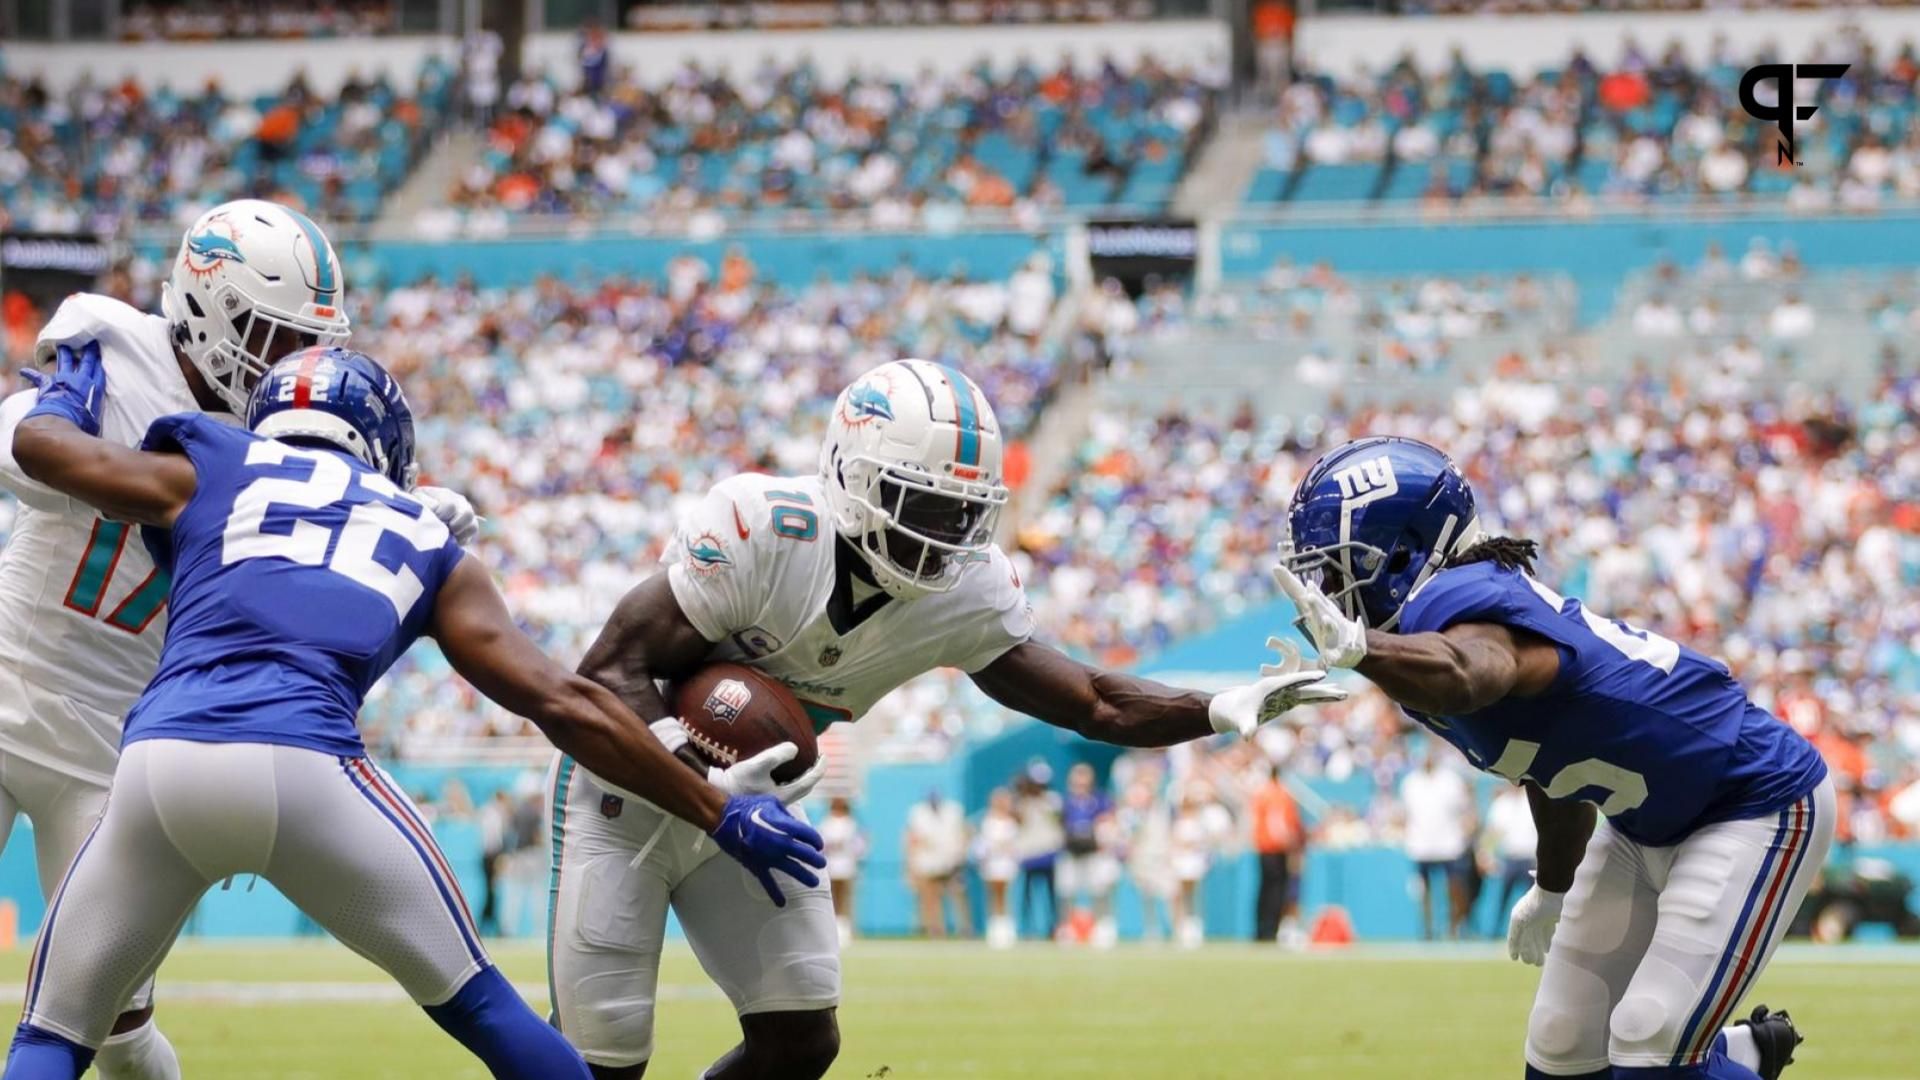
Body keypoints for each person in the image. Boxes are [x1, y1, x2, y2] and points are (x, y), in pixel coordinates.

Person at [0, 345, 823, 1080]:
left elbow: (44, 452)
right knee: (485, 1009)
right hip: (307, 766)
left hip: (161, 765)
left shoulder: (211, 460)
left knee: (53, 1036)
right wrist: (716, 812)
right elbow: (564, 702)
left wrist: (63, 395)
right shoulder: (424, 538)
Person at [548, 358, 1347, 1080]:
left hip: (753, 812)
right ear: (847, 473)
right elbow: (605, 674)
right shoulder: (768, 528)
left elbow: (1094, 702)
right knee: (605, 1062)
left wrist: (1214, 708)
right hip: (626, 796)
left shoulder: (962, 594)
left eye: (960, 513)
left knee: (801, 1038)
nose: (938, 536)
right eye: (919, 502)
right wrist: (712, 799)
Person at [0, 198, 476, 1080]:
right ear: (208, 304)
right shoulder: (118, 347)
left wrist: (404, 515)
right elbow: (17, 450)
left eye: (304, 341)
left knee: (115, 1029)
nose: (289, 362)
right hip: (9, 686)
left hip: (115, 742)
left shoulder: (289, 435)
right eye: (270, 332)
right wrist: (58, 400)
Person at [1274, 435, 1829, 1080]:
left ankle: (1734, 1060)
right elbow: (1552, 762)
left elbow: (1470, 671)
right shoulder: (1419, 649)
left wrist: (1362, 647)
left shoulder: (1459, 603)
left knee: (1650, 1038)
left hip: (1752, 799)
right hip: (1638, 824)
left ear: (1403, 552)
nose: (1329, 590)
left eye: (1340, 568)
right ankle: (1735, 1056)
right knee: (1563, 1046)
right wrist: (1553, 883)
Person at [1401, 744, 1476, 940]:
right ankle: (1427, 929)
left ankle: (1455, 927)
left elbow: (1466, 809)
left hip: (1449, 843)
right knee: (1424, 890)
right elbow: (1406, 814)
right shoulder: (1410, 783)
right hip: (1421, 844)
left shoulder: (1450, 780)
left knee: (1455, 888)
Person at [1056, 762, 1119, 948]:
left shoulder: (1100, 800)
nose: (1081, 782)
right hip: (1071, 852)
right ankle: (1067, 929)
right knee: (1067, 892)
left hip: (1093, 852)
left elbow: (1109, 821)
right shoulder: (1065, 802)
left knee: (1099, 890)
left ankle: (1103, 928)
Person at [1248, 762, 1306, 944]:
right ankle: (1271, 930)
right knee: (1277, 890)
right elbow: (1281, 823)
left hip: (1262, 847)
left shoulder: (1261, 793)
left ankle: (1261, 929)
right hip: (1277, 848)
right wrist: (1291, 843)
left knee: (1264, 889)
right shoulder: (1281, 794)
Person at [904, 788, 970, 939]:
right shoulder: (918, 814)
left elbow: (963, 834)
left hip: (951, 861)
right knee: (930, 897)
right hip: (928, 862)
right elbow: (911, 839)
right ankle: (936, 930)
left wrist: (960, 855)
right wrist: (911, 865)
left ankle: (964, 930)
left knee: (958, 895)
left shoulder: (953, 811)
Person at [1012, 761, 1063, 941]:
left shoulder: (1052, 800)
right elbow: (1018, 821)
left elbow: (1057, 821)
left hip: (1048, 851)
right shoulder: (1023, 802)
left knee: (1051, 894)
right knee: (1027, 893)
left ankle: (1053, 927)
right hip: (1029, 853)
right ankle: (1026, 928)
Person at [1484, 782, 1540, 939]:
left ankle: (1532, 933)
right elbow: (1493, 832)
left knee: (1534, 901)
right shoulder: (1501, 804)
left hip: (1530, 858)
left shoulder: (1533, 801)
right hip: (1510, 858)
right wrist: (1486, 854)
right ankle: (1495, 933)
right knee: (1503, 899)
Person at [975, 788, 1021, 949]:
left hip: (1006, 863)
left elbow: (1014, 844)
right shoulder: (987, 821)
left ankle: (1006, 929)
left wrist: (1004, 848)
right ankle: (994, 929)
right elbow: (983, 844)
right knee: (993, 896)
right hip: (992, 863)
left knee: (1005, 896)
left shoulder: (1012, 821)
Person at [819, 797, 866, 947]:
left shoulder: (852, 824)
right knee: (831, 902)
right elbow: (820, 844)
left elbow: (860, 846)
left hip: (847, 867)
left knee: (846, 903)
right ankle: (831, 932)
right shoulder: (826, 823)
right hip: (830, 868)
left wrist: (846, 847)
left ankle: (848, 933)